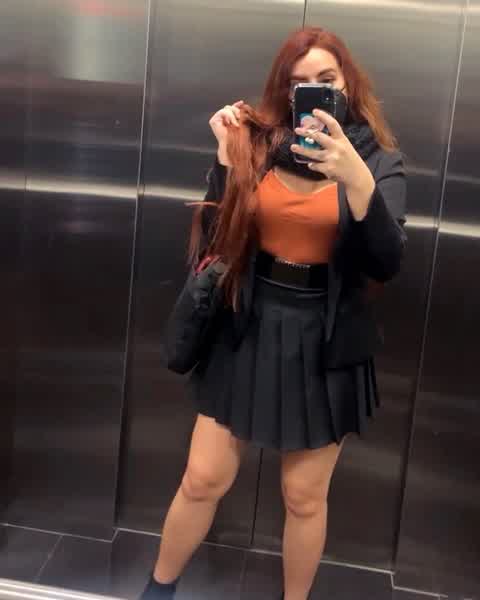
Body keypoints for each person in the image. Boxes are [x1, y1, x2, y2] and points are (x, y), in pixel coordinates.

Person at [140, 26, 407, 600]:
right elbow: (219, 237)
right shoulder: (258, 144)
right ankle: (156, 591)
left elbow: (386, 262)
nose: (314, 90)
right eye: (299, 82)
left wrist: (357, 181)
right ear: (285, 91)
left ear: (348, 82)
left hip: (326, 340)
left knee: (304, 497)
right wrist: (225, 159)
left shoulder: (378, 162)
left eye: (326, 79)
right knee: (202, 478)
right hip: (248, 323)